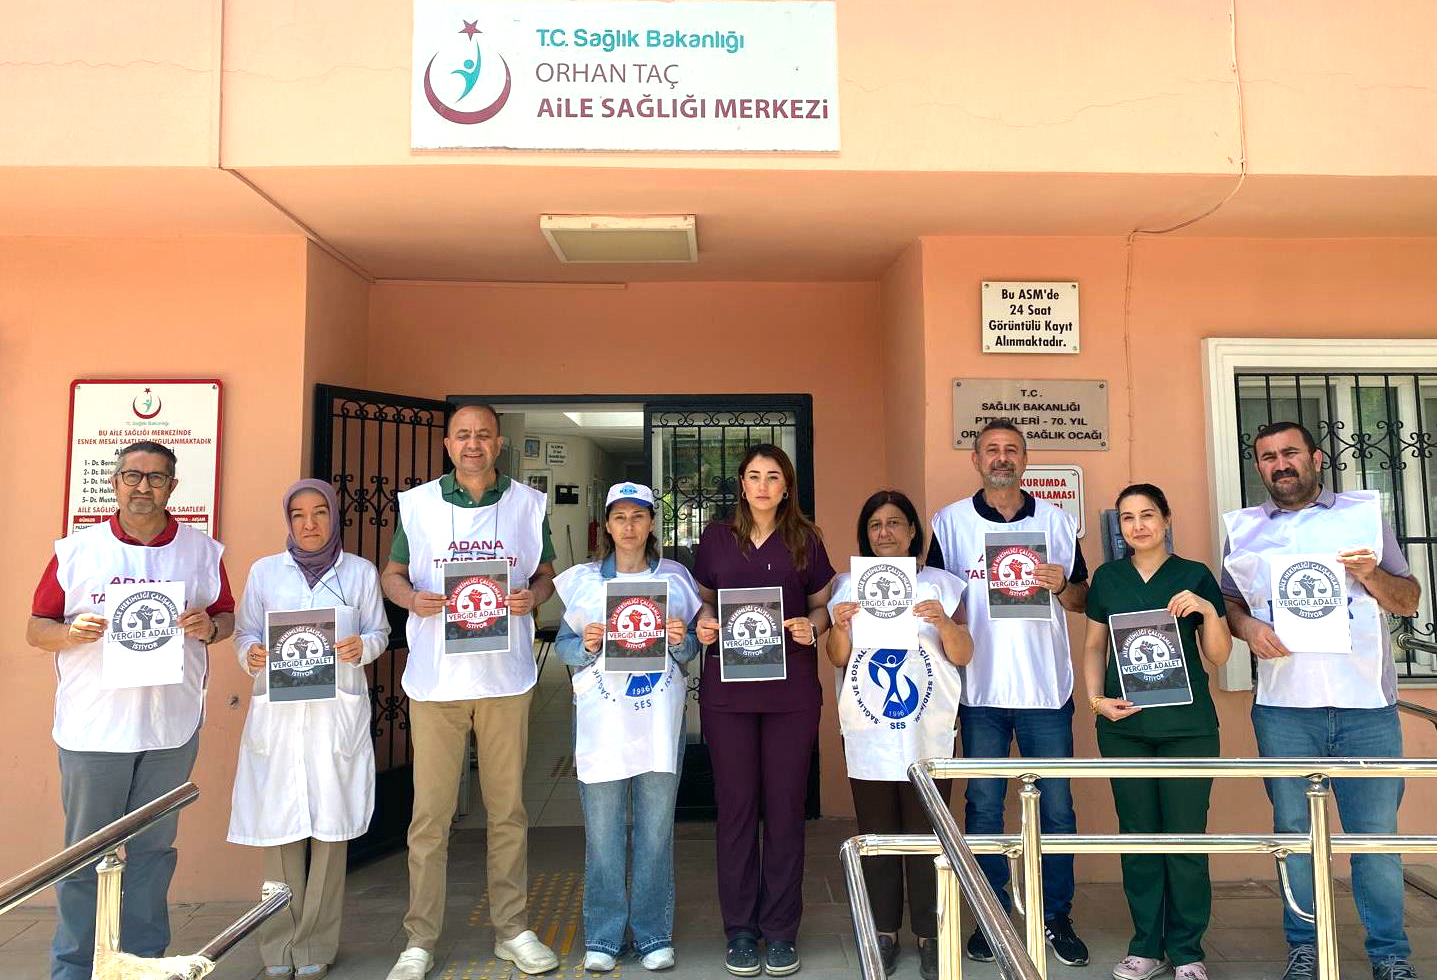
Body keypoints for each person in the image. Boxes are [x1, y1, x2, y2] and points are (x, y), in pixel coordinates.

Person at [26, 440, 235, 980]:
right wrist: (69, 634)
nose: (144, 487)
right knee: (84, 856)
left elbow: (226, 618)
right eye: (133, 476)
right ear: (115, 482)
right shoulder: (77, 551)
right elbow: (36, 628)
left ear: (173, 486)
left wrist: (210, 627)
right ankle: (75, 968)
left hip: (169, 729)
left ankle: (143, 963)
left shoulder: (201, 551)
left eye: (156, 477)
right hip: (94, 730)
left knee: (151, 854)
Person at [1221, 421, 1422, 980]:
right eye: (1267, 457)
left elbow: (1408, 600)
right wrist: (1246, 628)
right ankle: (1305, 948)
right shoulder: (1243, 530)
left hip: (1367, 708)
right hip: (1285, 710)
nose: (1279, 464)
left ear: (1315, 458)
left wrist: (1372, 574)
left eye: (1289, 453)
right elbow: (1230, 604)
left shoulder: (1363, 516)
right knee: (1295, 837)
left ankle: (1390, 956)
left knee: (1375, 840)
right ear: (1258, 467)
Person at [381, 403, 560, 980]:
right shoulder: (419, 504)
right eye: (463, 435)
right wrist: (411, 600)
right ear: (447, 444)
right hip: (436, 682)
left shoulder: (528, 505)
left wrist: (535, 596)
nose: (473, 444)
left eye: (484, 435)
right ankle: (420, 940)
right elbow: (392, 575)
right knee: (429, 818)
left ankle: (512, 929)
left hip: (505, 679)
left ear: (499, 443)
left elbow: (545, 573)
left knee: (507, 811)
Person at [926, 418, 1091, 967]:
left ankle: (1055, 915)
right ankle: (991, 915)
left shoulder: (1057, 521)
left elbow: (1083, 599)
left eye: (1012, 449)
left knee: (1057, 809)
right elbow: (935, 600)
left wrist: (1062, 585)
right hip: (980, 692)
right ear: (976, 460)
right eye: (992, 449)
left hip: (1046, 690)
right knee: (984, 809)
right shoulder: (949, 523)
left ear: (1025, 459)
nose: (1002, 457)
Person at [227, 479, 391, 980]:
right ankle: (278, 945)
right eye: (298, 515)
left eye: (319, 512)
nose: (309, 523)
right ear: (289, 521)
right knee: (280, 835)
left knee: (329, 836)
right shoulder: (265, 572)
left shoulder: (359, 572)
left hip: (333, 718)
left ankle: (317, 942)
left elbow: (380, 631)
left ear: (334, 516)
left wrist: (362, 647)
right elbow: (244, 632)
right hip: (278, 720)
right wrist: (251, 653)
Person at [693, 444, 835, 977]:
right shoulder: (717, 538)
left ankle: (779, 931)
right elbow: (706, 599)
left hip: (789, 693)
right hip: (728, 694)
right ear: (742, 483)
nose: (762, 486)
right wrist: (704, 623)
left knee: (784, 810)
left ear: (786, 486)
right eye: (753, 476)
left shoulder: (806, 539)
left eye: (773, 477)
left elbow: (821, 606)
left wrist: (811, 628)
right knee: (735, 809)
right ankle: (740, 930)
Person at [1082, 484, 1232, 980]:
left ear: (1166, 519)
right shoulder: (1108, 578)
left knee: (1185, 842)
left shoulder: (1194, 575)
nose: (1138, 525)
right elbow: (1094, 646)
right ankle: (1146, 945)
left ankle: (1187, 950)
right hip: (1125, 729)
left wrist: (1207, 610)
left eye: (1147, 515)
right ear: (1119, 526)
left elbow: (1219, 655)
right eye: (1127, 518)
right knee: (1139, 840)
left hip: (1188, 729)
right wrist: (1096, 701)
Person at [552, 482, 702, 973]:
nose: (630, 526)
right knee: (603, 833)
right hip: (602, 721)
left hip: (657, 720)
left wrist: (679, 640)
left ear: (652, 522)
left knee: (656, 832)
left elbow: (690, 649)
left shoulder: (676, 578)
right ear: (608, 525)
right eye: (620, 517)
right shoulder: (583, 582)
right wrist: (587, 644)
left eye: (639, 516)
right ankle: (604, 936)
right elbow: (564, 646)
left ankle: (654, 934)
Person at [827, 490, 971, 980]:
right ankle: (883, 932)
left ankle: (931, 935)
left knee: (929, 835)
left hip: (928, 730)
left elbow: (964, 653)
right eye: (875, 525)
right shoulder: (847, 586)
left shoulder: (943, 585)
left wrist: (943, 621)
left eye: (894, 523)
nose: (884, 532)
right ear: (865, 535)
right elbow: (837, 657)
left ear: (913, 531)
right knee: (877, 835)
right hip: (869, 730)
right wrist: (840, 627)